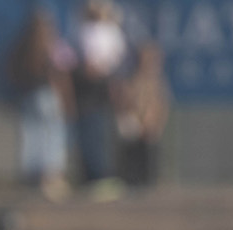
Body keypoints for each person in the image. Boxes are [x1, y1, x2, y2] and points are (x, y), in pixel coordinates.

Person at [9, 9, 75, 200]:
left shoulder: (23, 46)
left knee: (31, 136)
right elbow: (63, 74)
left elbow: (12, 71)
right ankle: (50, 177)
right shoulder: (53, 45)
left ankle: (32, 176)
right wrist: (67, 100)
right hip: (47, 95)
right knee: (52, 135)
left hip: (28, 95)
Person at [72, 0, 127, 186]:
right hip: (87, 87)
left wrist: (104, 70)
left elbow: (116, 58)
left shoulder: (111, 31)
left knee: (102, 131)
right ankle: (92, 175)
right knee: (89, 130)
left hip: (104, 85)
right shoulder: (83, 29)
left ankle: (101, 175)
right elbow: (82, 60)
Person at [116, 42, 169, 188]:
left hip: (150, 122)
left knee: (150, 151)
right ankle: (131, 178)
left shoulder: (157, 81)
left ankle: (151, 179)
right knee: (131, 145)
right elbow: (126, 102)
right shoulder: (132, 78)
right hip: (134, 121)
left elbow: (160, 104)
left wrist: (151, 120)